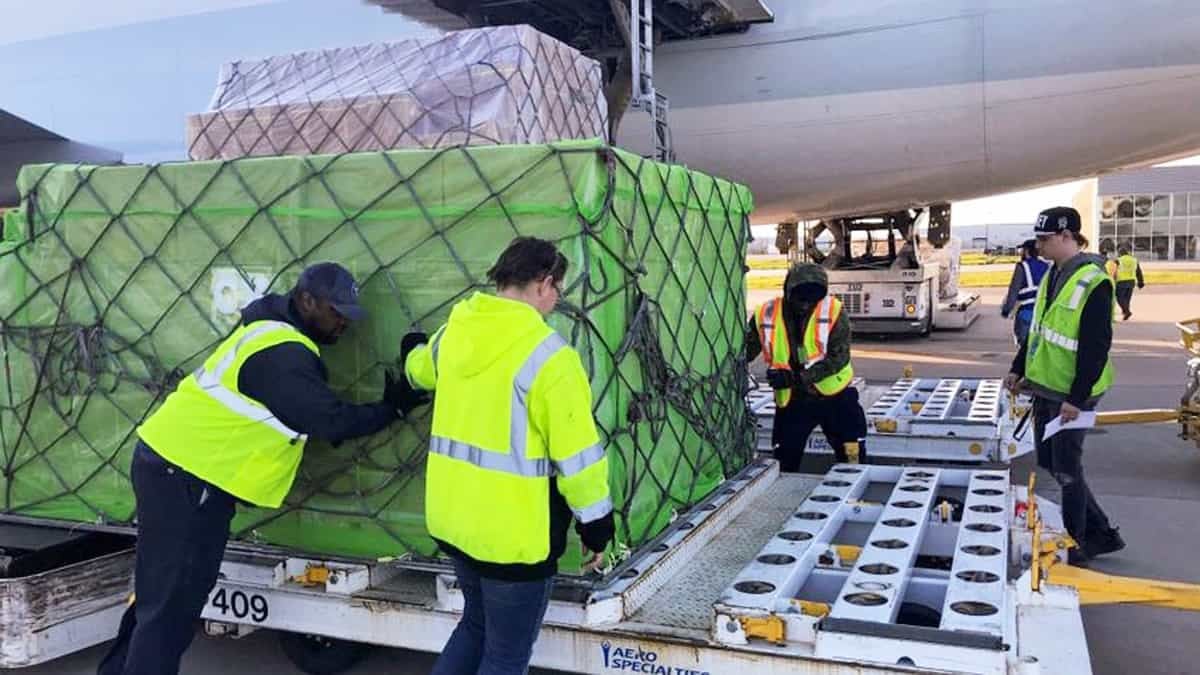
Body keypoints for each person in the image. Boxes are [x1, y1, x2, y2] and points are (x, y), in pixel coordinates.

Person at [97, 263, 428, 675]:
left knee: (159, 599)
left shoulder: (270, 334)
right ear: (306, 301)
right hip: (185, 477)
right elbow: (327, 420)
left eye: (348, 313)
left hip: (179, 471)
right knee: (171, 607)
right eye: (335, 310)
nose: (342, 321)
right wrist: (391, 408)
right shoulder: (282, 352)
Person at [403, 237, 614, 675]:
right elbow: (578, 459)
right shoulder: (551, 357)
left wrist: (410, 350)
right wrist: (596, 527)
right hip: (514, 542)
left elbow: (419, 370)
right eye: (558, 289)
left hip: (456, 526)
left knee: (474, 627)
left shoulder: (455, 332)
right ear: (543, 283)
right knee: (505, 656)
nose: (557, 300)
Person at [1004, 207, 1124, 566]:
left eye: (1045, 239)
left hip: (1073, 394)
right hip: (1046, 387)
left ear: (1068, 236)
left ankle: (1078, 543)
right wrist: (1017, 367)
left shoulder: (1093, 282)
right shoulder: (1054, 274)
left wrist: (1077, 398)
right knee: (1050, 462)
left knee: (1067, 470)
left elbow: (1096, 345)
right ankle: (1101, 533)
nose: (1039, 245)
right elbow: (1038, 328)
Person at [746, 262, 867, 470]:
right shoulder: (765, 313)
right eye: (800, 298)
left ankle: (854, 488)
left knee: (852, 452)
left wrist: (795, 378)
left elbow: (839, 358)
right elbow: (745, 352)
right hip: (794, 401)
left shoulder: (834, 312)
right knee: (785, 459)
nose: (805, 305)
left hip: (834, 395)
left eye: (812, 299)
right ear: (787, 291)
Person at [1001, 239, 1049, 346]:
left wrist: (1006, 310)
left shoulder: (1022, 266)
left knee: (1024, 351)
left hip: (1027, 314)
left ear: (1027, 251)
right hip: (1044, 314)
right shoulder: (1047, 266)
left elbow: (1013, 291)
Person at [1113, 244, 1144, 321]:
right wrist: (1141, 282)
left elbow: (1113, 271)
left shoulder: (1118, 260)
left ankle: (1127, 311)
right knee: (1127, 298)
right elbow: (1138, 272)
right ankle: (1125, 312)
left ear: (1119, 253)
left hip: (1121, 281)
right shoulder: (1134, 260)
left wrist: (1112, 280)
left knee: (1119, 297)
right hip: (1131, 281)